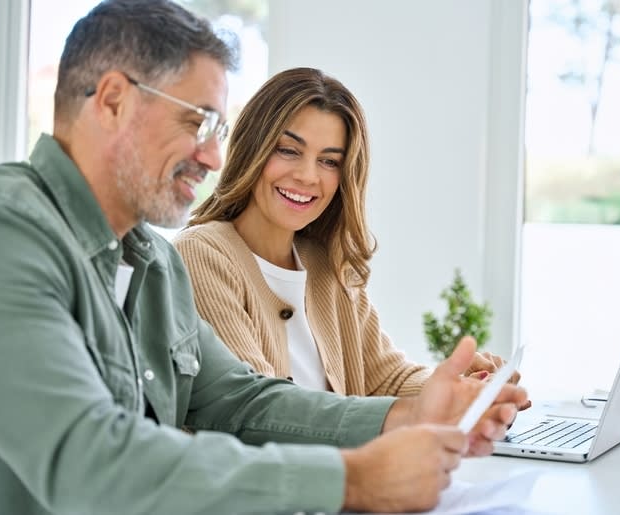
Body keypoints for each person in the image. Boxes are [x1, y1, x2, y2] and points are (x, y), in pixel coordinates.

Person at [0, 1, 528, 514]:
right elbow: (88, 458)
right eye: (196, 122)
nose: (214, 156)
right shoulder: (7, 233)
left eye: (218, 130)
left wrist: (412, 412)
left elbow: (243, 402)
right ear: (112, 101)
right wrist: (353, 478)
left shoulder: (154, 263)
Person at [174, 67, 525, 397]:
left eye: (329, 161)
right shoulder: (202, 255)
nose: (308, 176)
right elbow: (259, 408)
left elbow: (388, 379)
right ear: (252, 148)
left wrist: (461, 389)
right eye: (288, 150)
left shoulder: (326, 264)